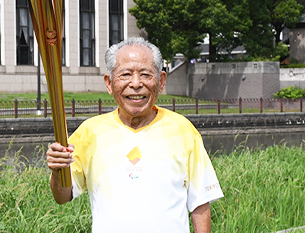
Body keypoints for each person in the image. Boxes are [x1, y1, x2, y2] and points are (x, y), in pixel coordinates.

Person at [46, 37, 224, 233]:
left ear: (161, 81)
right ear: (109, 83)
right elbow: (62, 196)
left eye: (146, 74)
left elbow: (200, 204)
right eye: (126, 74)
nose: (136, 83)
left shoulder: (182, 129)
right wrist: (57, 170)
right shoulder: (89, 133)